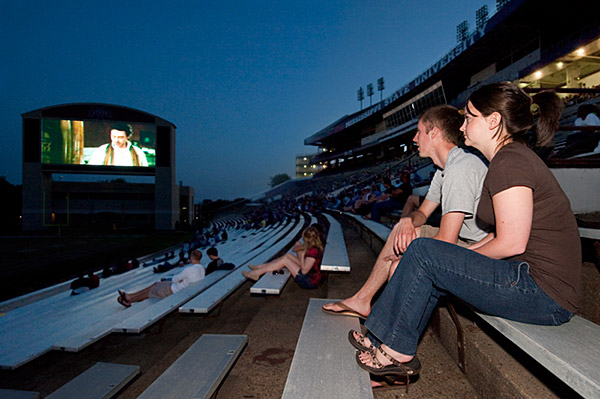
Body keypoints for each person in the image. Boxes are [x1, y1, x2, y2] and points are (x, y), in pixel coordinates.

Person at [351, 82, 581, 386]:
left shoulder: (510, 162)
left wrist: (451, 258)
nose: (462, 125)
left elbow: (512, 241)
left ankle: (394, 355)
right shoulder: (507, 159)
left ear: (494, 121)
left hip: (543, 293)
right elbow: (500, 234)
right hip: (527, 278)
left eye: (470, 117)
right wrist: (452, 260)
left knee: (424, 252)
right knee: (430, 257)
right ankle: (384, 339)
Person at [323, 104, 489, 319]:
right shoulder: (444, 170)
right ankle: (362, 300)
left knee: (399, 266)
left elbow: (447, 240)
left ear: (434, 133)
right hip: (464, 242)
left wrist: (408, 254)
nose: (414, 138)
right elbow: (422, 213)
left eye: (419, 132)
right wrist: (408, 221)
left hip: (478, 251)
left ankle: (387, 336)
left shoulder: (461, 167)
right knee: (400, 232)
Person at [241, 225, 325, 289]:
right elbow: (297, 250)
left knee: (285, 260)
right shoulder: (315, 246)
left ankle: (256, 273)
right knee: (287, 256)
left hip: (310, 281)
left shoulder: (313, 251)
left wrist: (302, 256)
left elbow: (304, 271)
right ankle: (260, 268)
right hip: (311, 276)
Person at [117, 249, 205, 307]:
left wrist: (180, 280)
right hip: (182, 288)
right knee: (156, 284)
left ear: (191, 257)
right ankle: (130, 295)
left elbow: (175, 279)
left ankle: (130, 301)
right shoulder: (202, 269)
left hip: (175, 290)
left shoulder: (189, 269)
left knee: (152, 291)